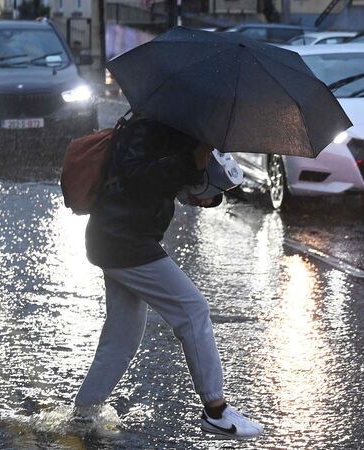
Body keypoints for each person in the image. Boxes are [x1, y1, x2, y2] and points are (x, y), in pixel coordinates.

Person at [74, 117, 264, 439]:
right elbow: (136, 178)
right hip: (124, 239)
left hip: (123, 237)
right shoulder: (143, 128)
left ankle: (82, 417)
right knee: (193, 310)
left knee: (122, 338)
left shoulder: (177, 127)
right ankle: (216, 411)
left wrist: (208, 188)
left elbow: (177, 187)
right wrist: (191, 161)